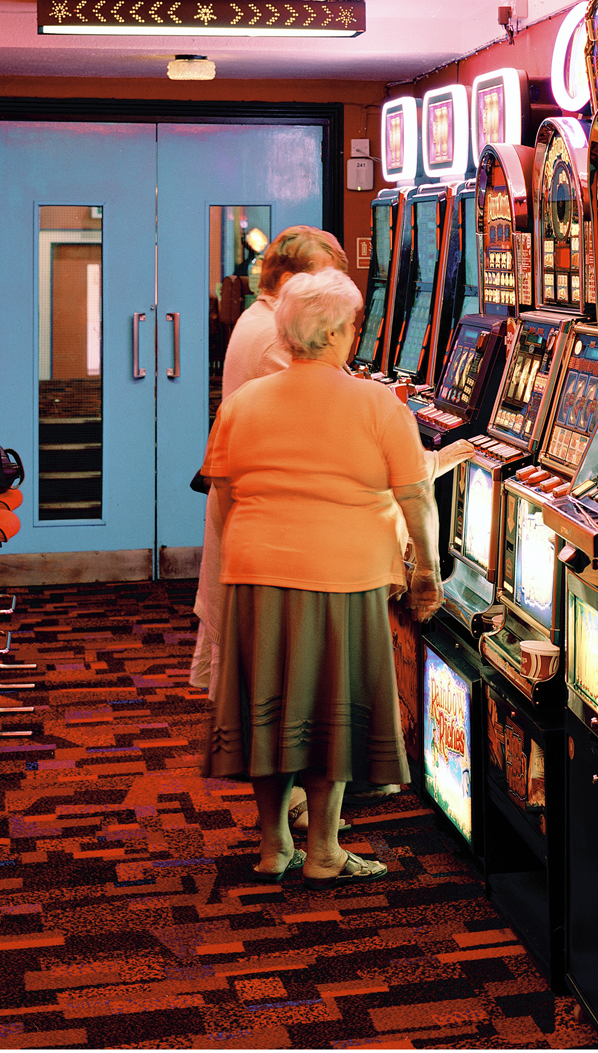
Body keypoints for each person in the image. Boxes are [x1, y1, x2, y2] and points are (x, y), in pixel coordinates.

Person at [201, 268, 440, 882]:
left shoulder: (241, 405)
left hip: (255, 575)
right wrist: (425, 574)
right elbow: (417, 500)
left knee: (269, 710)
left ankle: (273, 844)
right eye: (354, 324)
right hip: (343, 576)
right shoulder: (376, 404)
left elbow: (225, 499)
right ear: (336, 331)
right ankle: (325, 850)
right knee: (330, 712)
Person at [190, 225, 348, 698]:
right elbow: (330, 422)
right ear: (290, 284)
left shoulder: (259, 320)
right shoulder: (277, 340)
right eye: (322, 285)